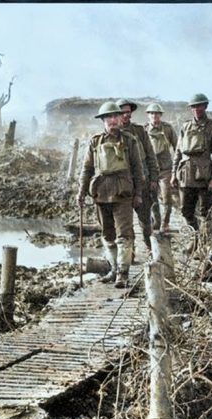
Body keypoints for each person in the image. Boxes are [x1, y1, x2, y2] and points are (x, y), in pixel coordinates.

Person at [76, 101, 144, 288]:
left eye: (115, 116)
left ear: (120, 118)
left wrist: (138, 194)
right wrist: (81, 192)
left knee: (124, 234)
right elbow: (87, 169)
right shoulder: (95, 142)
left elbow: (138, 169)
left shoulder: (130, 141)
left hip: (123, 192)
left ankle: (123, 273)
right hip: (101, 192)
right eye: (108, 118)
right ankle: (113, 269)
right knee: (107, 234)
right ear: (103, 121)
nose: (112, 121)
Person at [171, 93, 212, 238]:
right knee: (186, 211)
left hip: (204, 176)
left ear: (205, 107)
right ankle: (194, 239)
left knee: (205, 213)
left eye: (199, 106)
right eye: (194, 107)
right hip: (186, 175)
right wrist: (173, 174)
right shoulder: (185, 127)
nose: (196, 109)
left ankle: (208, 241)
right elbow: (178, 152)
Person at [116, 99, 160, 260]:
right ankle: (130, 253)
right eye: (122, 112)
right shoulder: (114, 134)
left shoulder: (139, 131)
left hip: (142, 181)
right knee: (125, 223)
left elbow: (150, 156)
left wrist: (154, 178)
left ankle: (150, 249)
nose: (126, 114)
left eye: (128, 111)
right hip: (122, 185)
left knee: (145, 220)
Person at [144, 103, 179, 233]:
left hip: (165, 169)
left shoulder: (168, 129)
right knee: (152, 198)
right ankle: (157, 221)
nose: (155, 116)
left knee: (167, 197)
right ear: (148, 115)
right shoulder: (144, 130)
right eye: (152, 113)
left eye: (157, 114)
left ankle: (165, 222)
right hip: (151, 170)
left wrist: (177, 166)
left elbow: (177, 147)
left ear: (161, 115)